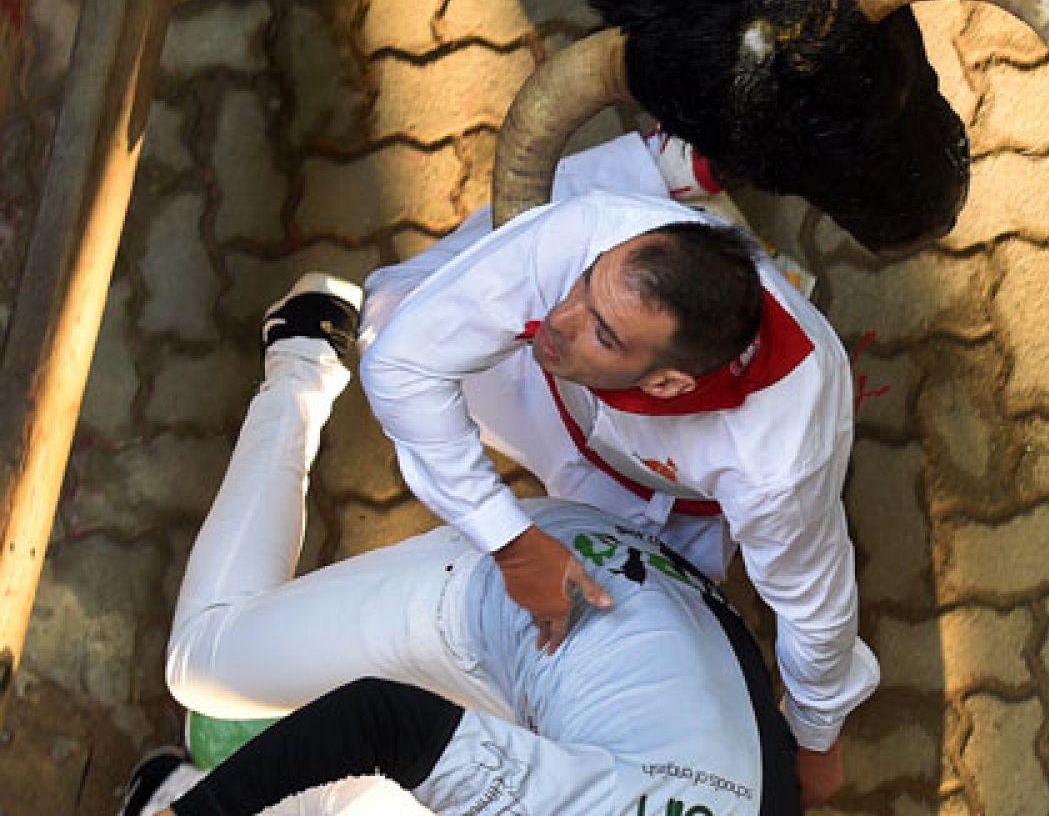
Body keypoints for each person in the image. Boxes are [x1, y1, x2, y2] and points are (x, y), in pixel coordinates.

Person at [144, 272, 800, 814]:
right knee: (204, 663)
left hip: (671, 624)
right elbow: (382, 721)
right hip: (536, 594)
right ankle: (302, 361)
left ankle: (178, 789)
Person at [357, 133, 878, 799]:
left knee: (626, 616)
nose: (558, 319)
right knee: (387, 317)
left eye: (601, 331)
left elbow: (813, 602)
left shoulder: (779, 455)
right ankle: (662, 164)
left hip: (657, 493)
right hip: (545, 393)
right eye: (582, 288)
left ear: (666, 386)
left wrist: (814, 733)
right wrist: (513, 545)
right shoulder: (593, 236)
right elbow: (401, 367)